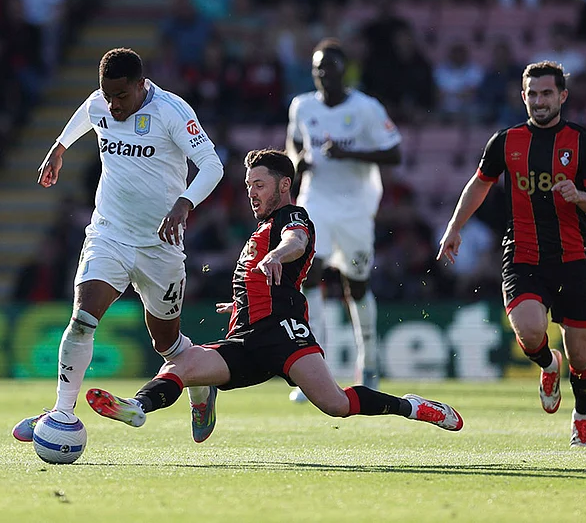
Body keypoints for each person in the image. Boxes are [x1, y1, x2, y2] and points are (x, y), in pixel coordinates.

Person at [84, 149, 464, 439]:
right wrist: (242, 302)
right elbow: (263, 276)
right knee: (181, 365)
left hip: (284, 333)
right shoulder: (258, 229)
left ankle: (410, 406)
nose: (251, 193)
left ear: (284, 185)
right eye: (248, 185)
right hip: (246, 338)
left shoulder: (291, 216)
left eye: (259, 185)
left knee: (336, 404)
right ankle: (137, 406)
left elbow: (295, 243)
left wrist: (276, 256)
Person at [12, 47, 225, 444]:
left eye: (121, 97)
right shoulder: (101, 104)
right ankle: (61, 412)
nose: (113, 105)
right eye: (107, 96)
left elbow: (213, 165)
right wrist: (60, 147)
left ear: (142, 86)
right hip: (109, 233)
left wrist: (184, 203)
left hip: (159, 245)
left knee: (168, 344)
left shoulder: (171, 112)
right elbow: (88, 112)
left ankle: (200, 384)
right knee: (82, 318)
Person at [437, 61, 586, 447]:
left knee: (581, 356)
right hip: (523, 254)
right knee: (530, 331)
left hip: (573, 259)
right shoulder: (505, 141)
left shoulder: (583, 142)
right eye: (532, 94)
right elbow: (479, 185)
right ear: (523, 97)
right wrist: (454, 227)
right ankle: (548, 364)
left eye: (547, 93)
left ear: (562, 96)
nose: (539, 100)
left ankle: (581, 418)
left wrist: (579, 196)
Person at [285, 38, 402, 400]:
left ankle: (368, 363)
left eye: (330, 68)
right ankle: (315, 371)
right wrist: (297, 161)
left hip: (355, 207)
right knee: (309, 275)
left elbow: (394, 153)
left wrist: (352, 153)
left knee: (358, 285)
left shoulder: (366, 108)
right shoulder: (302, 105)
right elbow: (293, 144)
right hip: (315, 200)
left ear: (344, 70)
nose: (324, 74)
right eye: (318, 68)